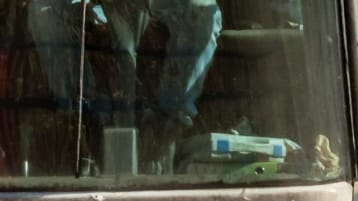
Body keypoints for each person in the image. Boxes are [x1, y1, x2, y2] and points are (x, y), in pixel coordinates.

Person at [26, 0, 222, 129]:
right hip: (98, 7)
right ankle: (83, 112)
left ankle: (169, 115)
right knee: (43, 8)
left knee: (203, 11)